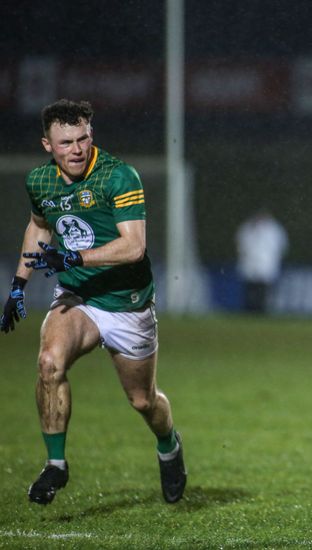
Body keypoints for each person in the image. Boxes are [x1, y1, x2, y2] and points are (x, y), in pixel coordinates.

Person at [0, 99, 186, 505]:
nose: (77, 149)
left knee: (142, 400)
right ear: (47, 145)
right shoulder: (40, 182)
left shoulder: (118, 176)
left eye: (83, 138)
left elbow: (133, 247)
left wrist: (73, 257)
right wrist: (18, 285)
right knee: (49, 363)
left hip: (127, 304)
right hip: (78, 297)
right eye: (66, 142)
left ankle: (169, 444)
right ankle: (56, 466)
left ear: (91, 136)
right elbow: (39, 226)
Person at [235, 209, 288, 313]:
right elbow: (240, 244)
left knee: (263, 289)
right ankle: (249, 310)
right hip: (249, 262)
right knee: (250, 288)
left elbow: (281, 246)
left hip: (266, 263)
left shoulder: (274, 229)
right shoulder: (247, 228)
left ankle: (262, 310)